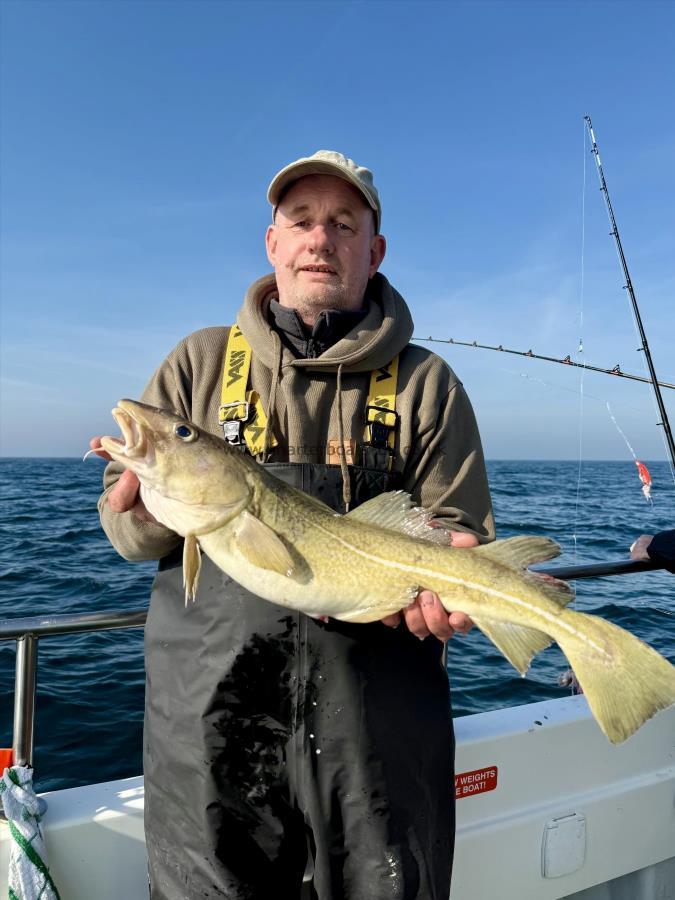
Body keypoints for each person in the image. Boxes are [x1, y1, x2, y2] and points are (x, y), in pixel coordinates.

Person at [92, 150, 495, 900]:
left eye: (344, 224)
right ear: (271, 242)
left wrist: (457, 576)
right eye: (301, 221)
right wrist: (143, 507)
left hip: (379, 725)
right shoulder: (199, 362)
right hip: (211, 721)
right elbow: (126, 536)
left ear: (373, 251)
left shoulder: (426, 381)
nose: (321, 239)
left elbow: (457, 523)